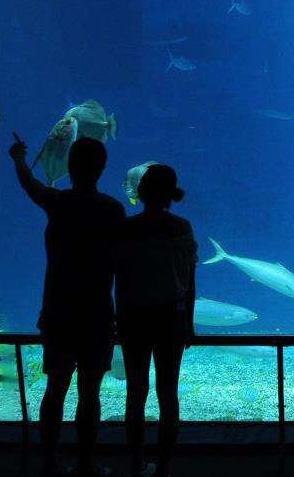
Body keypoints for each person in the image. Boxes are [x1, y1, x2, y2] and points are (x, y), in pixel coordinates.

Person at [10, 133, 126, 477]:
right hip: (96, 316)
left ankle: (49, 460)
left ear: (69, 167)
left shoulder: (58, 202)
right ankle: (86, 462)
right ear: (102, 169)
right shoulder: (112, 209)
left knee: (55, 387)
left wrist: (18, 157)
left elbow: (28, 182)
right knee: (89, 393)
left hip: (59, 312)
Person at [114, 165, 197, 477]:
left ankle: (136, 463)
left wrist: (119, 317)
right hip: (171, 319)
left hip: (134, 316)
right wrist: (189, 323)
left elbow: (119, 279)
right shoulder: (182, 227)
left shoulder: (127, 228)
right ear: (171, 195)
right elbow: (190, 282)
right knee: (168, 393)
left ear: (142, 192)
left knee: (136, 393)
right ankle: (163, 467)